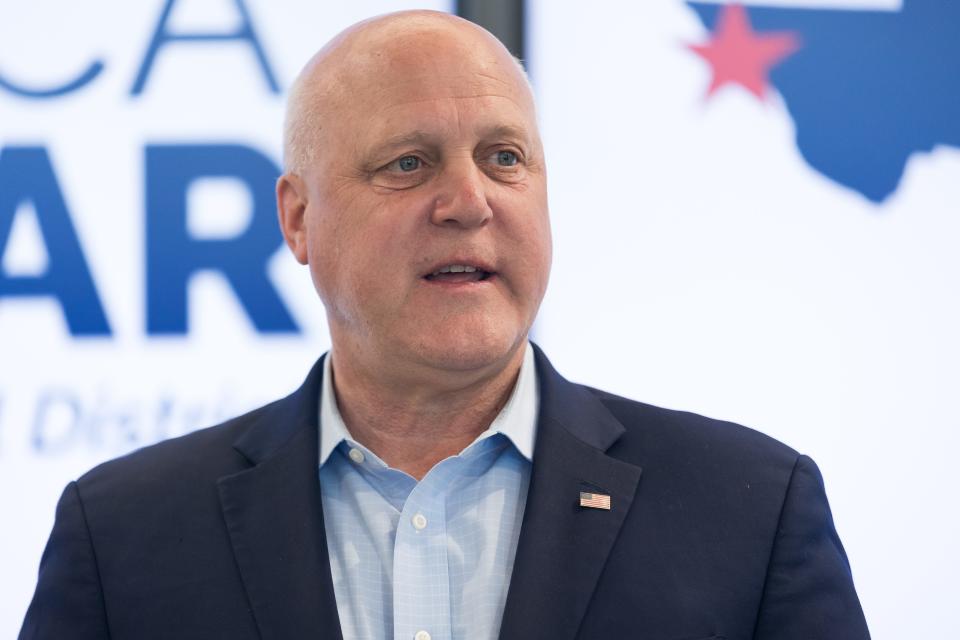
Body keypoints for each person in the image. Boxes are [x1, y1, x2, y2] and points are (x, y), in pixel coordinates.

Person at [19, 10, 870, 640]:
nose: (468, 203)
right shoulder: (123, 535)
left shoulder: (750, 513)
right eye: (407, 163)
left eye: (505, 158)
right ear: (299, 219)